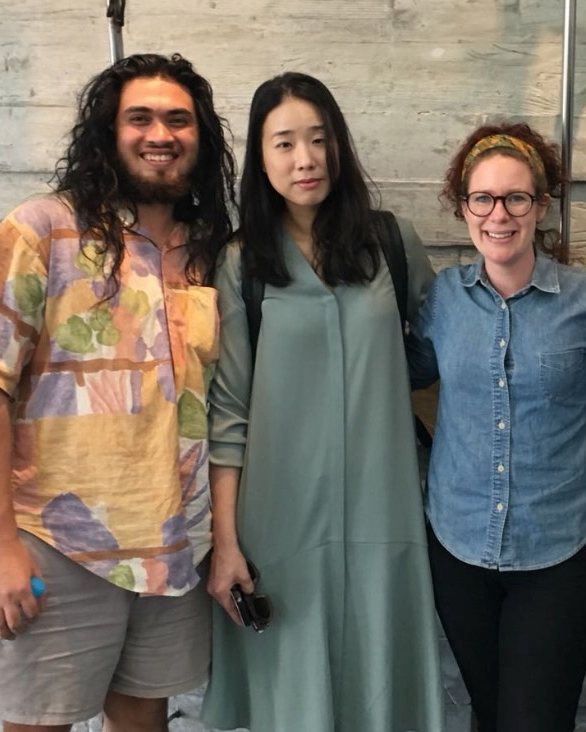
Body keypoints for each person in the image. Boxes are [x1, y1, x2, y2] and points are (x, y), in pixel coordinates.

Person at [0, 53, 236, 730]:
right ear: (109, 131)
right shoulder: (42, 229)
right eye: (141, 117)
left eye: (179, 120)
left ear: (201, 138)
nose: (161, 133)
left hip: (172, 546)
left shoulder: (212, 254)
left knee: (143, 723)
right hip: (55, 541)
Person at [201, 71, 445, 732]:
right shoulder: (241, 263)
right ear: (261, 158)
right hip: (277, 522)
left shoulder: (391, 244)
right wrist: (225, 543)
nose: (305, 159)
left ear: (338, 145)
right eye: (283, 144)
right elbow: (227, 415)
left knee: (381, 685)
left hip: (383, 510)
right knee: (288, 692)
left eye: (318, 139)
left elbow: (442, 351)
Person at [408, 123, 586, 732]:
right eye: (483, 198)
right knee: (488, 711)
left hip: (558, 550)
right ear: (463, 207)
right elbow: (405, 376)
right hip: (458, 543)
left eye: (516, 198)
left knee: (536, 721)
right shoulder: (444, 301)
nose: (498, 214)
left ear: (541, 205)